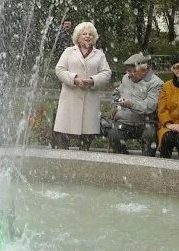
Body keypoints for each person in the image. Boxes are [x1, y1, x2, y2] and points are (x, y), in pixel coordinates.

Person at [52, 21, 111, 149]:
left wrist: (92, 80)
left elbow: (107, 73)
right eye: (84, 33)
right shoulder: (68, 51)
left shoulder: (100, 55)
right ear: (78, 36)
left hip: (89, 100)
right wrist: (74, 79)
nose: (88, 36)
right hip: (70, 100)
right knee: (63, 136)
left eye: (90, 34)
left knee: (86, 139)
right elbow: (59, 70)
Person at [107, 52, 163, 155]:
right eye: (128, 71)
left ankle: (147, 164)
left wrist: (130, 104)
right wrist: (115, 106)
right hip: (124, 122)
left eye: (133, 71)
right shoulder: (126, 78)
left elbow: (150, 106)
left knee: (150, 136)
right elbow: (116, 93)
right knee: (113, 134)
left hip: (145, 123)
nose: (129, 74)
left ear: (144, 70)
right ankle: (124, 160)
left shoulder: (156, 83)